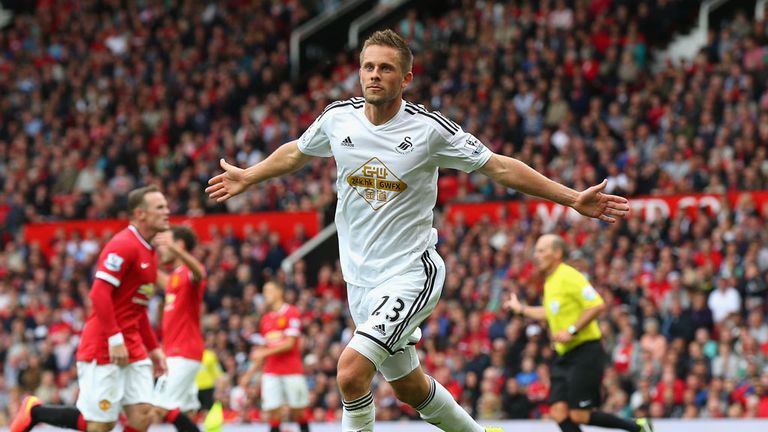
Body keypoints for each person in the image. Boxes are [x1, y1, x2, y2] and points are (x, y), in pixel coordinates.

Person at [205, 29, 628, 432]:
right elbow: (296, 152)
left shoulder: (429, 130)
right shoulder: (338, 120)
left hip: (411, 272)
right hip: (360, 282)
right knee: (409, 387)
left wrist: (571, 198)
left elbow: (499, 166)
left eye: (386, 68)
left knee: (351, 373)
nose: (374, 75)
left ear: (406, 77)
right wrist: (250, 176)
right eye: (368, 67)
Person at [11, 185, 170, 432]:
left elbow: (137, 311)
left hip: (133, 347)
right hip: (105, 345)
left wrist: (154, 348)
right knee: (100, 425)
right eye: (160, 207)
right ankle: (35, 411)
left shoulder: (149, 253)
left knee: (142, 417)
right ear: (140, 214)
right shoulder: (123, 245)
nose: (167, 212)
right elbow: (98, 293)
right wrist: (115, 339)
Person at [506, 234, 653, 432]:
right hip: (564, 355)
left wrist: (572, 330)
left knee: (578, 414)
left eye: (542, 250)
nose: (536, 255)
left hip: (585, 351)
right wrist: (521, 309)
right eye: (536, 251)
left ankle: (638, 427)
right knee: (558, 411)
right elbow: (549, 312)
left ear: (557, 253)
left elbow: (596, 304)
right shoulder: (550, 281)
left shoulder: (569, 275)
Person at [152, 225, 207, 432]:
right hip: (176, 352)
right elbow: (158, 278)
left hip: (182, 353)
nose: (161, 250)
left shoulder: (189, 273)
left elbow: (199, 273)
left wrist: (174, 249)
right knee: (186, 413)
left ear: (179, 245)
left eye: (164, 245)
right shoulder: (175, 277)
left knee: (159, 408)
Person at [248, 281, 311, 432]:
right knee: (273, 413)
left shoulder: (291, 312)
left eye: (269, 290)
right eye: (264, 291)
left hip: (292, 371)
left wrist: (264, 352)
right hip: (271, 372)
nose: (265, 294)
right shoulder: (266, 319)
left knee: (298, 411)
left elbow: (289, 344)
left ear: (279, 292)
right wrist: (248, 374)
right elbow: (262, 350)